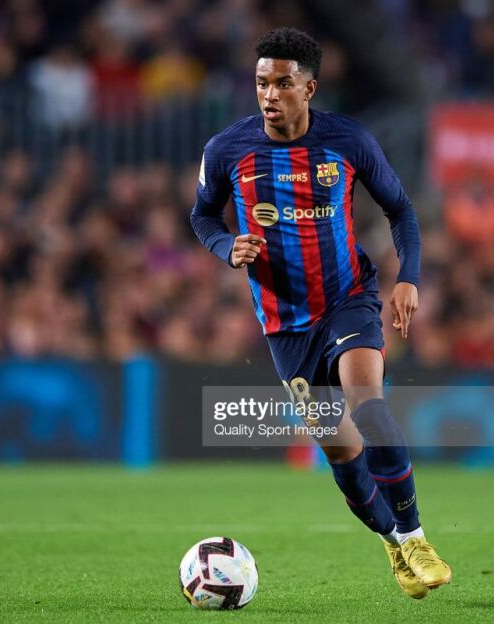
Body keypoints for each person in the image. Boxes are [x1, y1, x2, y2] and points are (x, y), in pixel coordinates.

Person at [190, 27, 450, 599]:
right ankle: (393, 542)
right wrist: (225, 246)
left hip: (348, 298)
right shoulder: (226, 150)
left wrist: (408, 278)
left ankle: (416, 536)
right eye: (262, 82)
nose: (270, 94)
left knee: (369, 406)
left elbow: (401, 209)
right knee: (340, 450)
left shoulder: (348, 140)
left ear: (309, 88)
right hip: (285, 323)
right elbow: (202, 216)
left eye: (283, 83)